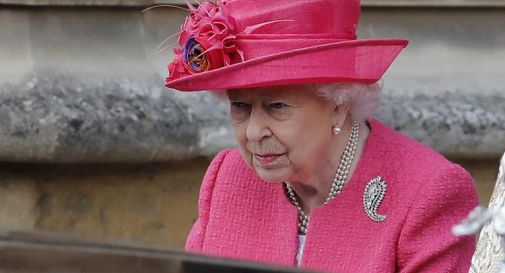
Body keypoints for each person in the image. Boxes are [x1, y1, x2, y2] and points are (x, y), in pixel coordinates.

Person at [165, 0, 478, 272]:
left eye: (277, 106)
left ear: (338, 103)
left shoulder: (429, 192)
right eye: (240, 106)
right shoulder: (228, 178)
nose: (253, 131)